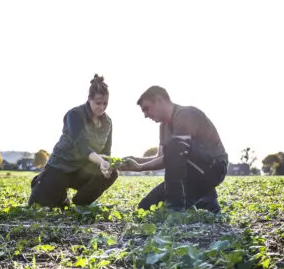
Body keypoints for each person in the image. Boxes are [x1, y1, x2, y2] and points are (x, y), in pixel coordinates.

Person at [120, 86, 228, 213]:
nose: (145, 115)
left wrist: (140, 167)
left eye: (146, 108)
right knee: (145, 207)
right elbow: (161, 158)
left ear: (159, 100)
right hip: (190, 174)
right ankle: (207, 200)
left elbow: (176, 152)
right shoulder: (163, 126)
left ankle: (176, 208)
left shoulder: (185, 115)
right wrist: (133, 161)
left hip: (214, 168)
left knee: (176, 145)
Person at [28, 74, 118, 208]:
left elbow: (106, 152)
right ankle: (46, 184)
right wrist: (101, 162)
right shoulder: (74, 115)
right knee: (38, 206)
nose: (102, 107)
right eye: (98, 103)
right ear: (89, 99)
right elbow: (82, 147)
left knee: (112, 173)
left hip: (82, 170)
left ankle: (81, 202)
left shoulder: (108, 123)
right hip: (61, 167)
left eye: (105, 103)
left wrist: (106, 165)